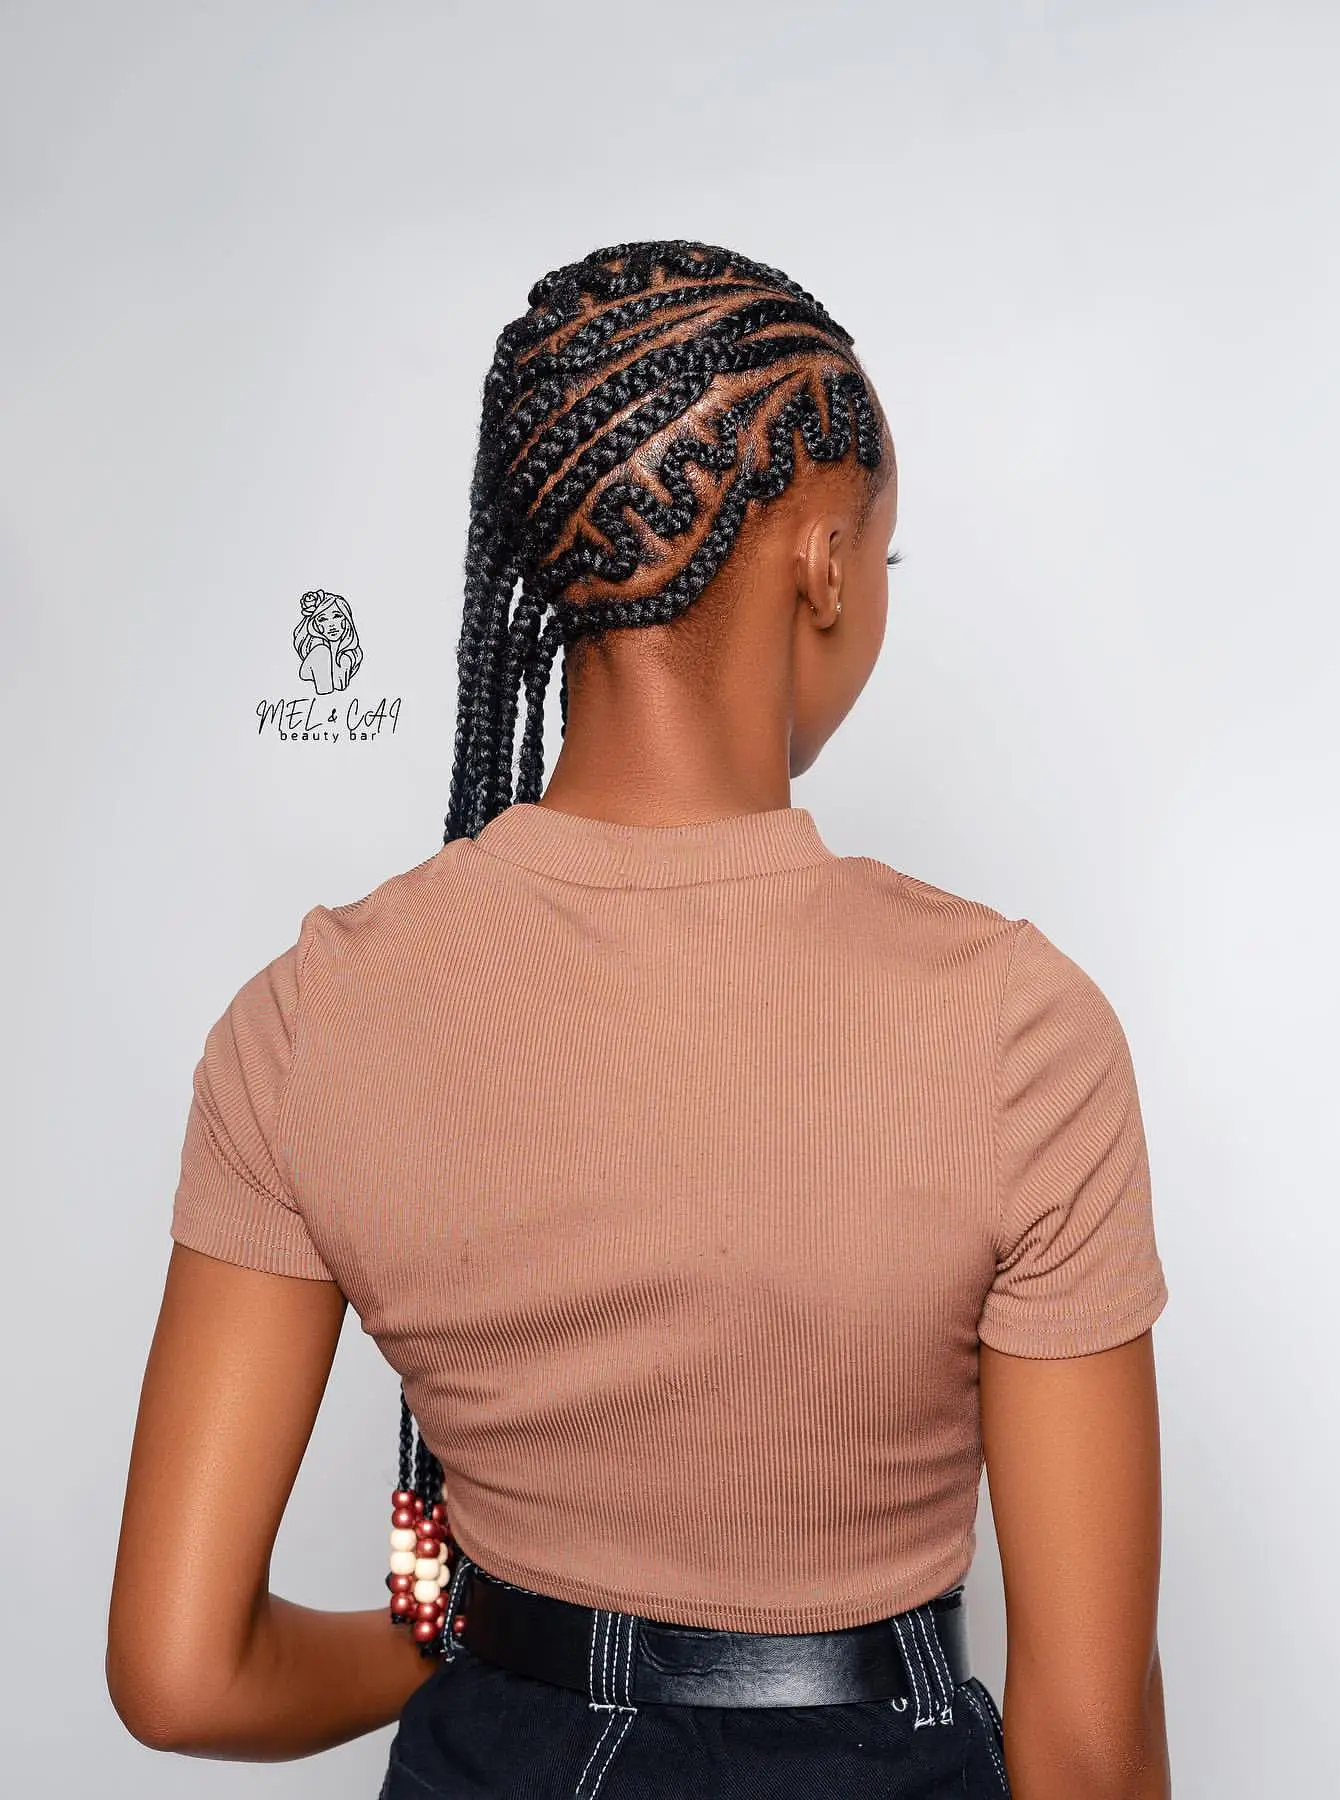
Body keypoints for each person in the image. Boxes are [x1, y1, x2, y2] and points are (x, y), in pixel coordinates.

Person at [108, 240, 1172, 1799]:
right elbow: (1087, 1747)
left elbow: (180, 1673)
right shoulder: (1018, 1031)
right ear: (822, 565)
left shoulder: (307, 1018)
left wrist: (453, 1633)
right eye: (886, 557)